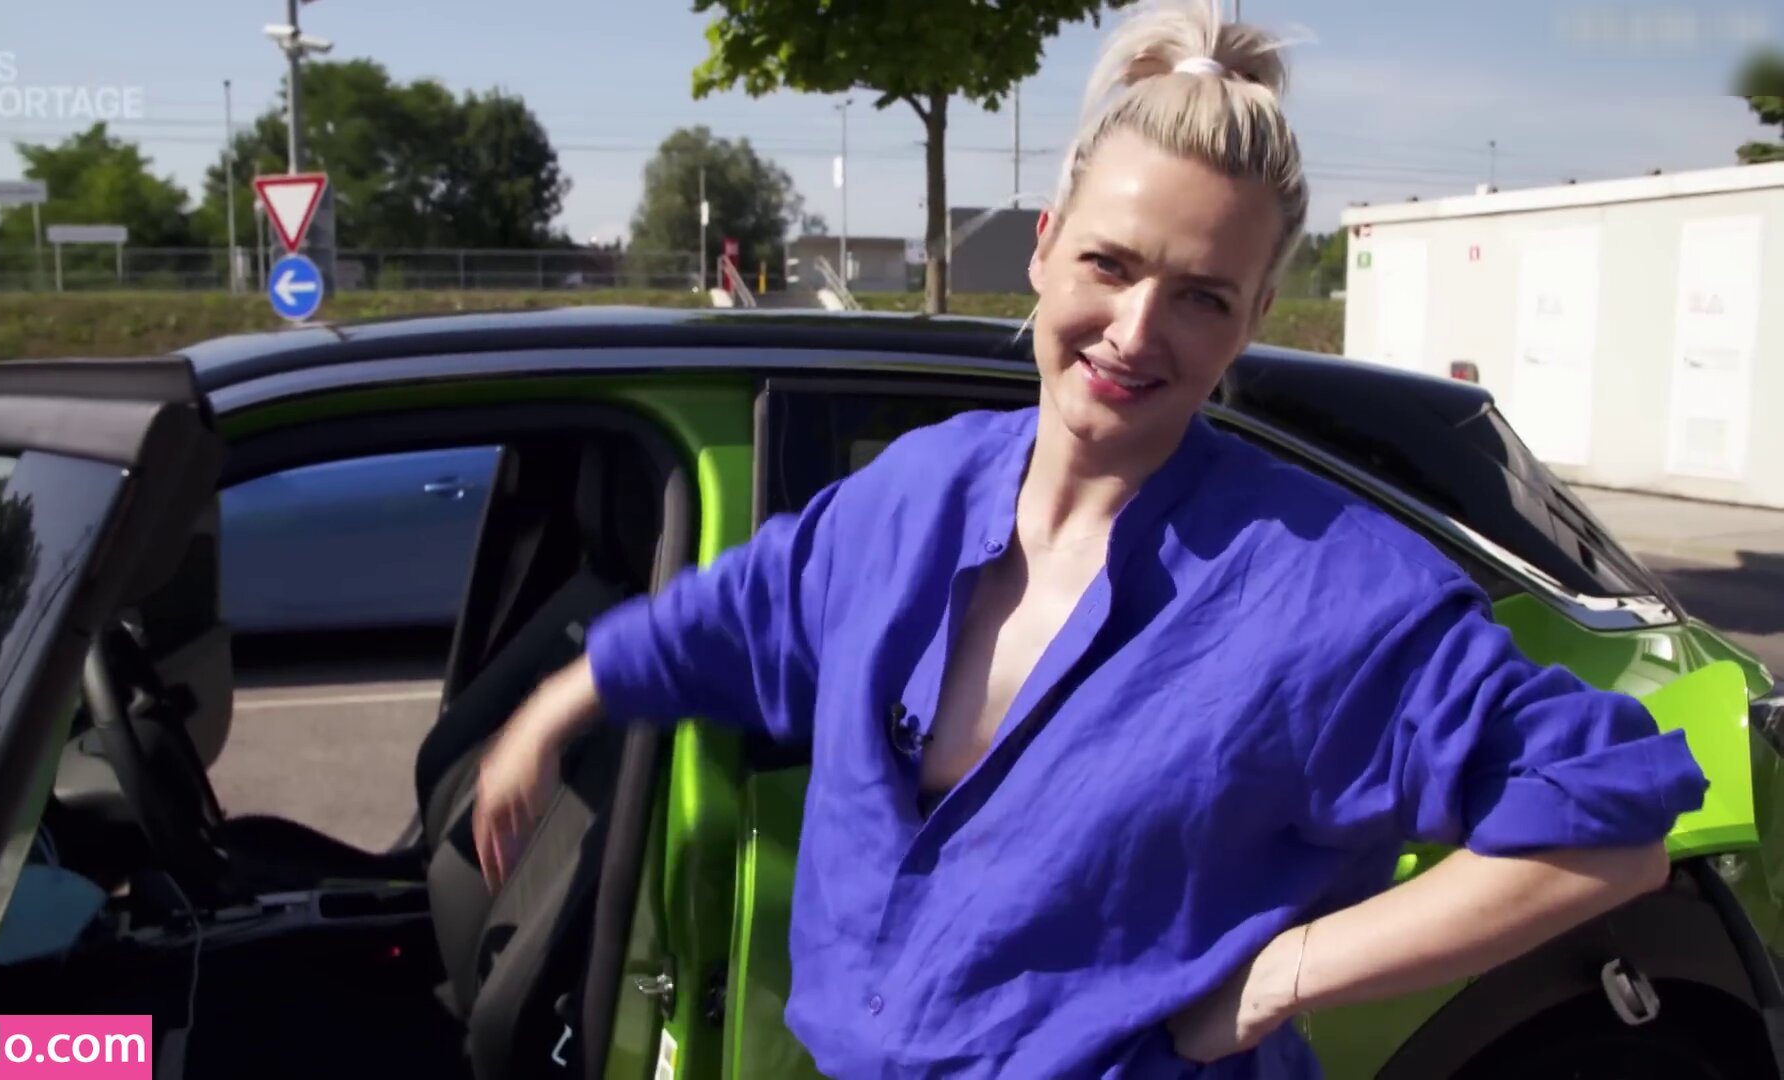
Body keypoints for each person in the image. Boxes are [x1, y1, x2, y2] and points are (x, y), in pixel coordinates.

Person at [471, 1, 1709, 1075]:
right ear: (1046, 243)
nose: (1135, 330)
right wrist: (556, 707)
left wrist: (1276, 980)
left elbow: (1608, 822)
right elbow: (743, 612)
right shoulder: (916, 496)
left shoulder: (1327, 590)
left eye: (1201, 297)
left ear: (1253, 318)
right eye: (1110, 264)